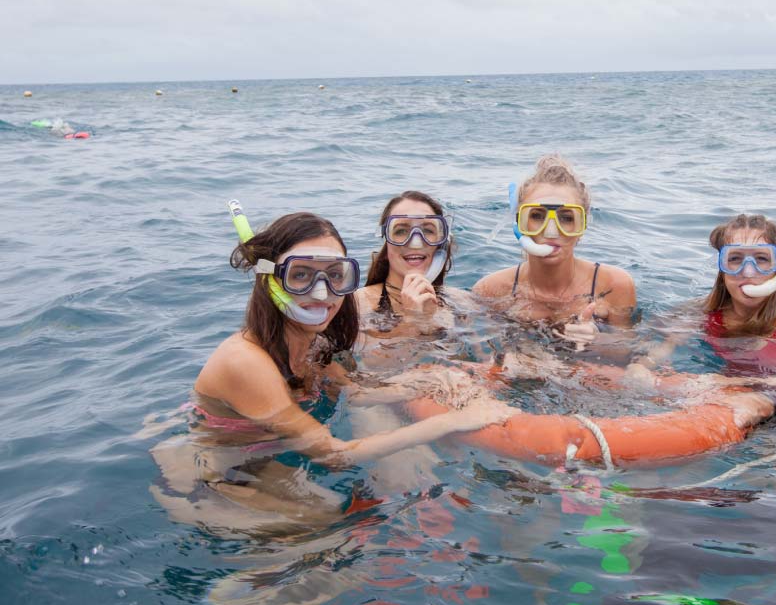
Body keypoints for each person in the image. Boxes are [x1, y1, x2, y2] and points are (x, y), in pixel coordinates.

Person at [150, 211, 510, 535]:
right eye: (301, 275)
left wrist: (436, 379)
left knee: (368, 510)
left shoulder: (313, 343)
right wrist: (451, 422)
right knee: (339, 529)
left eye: (335, 276)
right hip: (213, 482)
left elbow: (358, 392)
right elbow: (332, 455)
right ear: (270, 279)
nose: (322, 293)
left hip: (266, 459)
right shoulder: (245, 361)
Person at [625, 213, 776, 413]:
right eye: (735, 259)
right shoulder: (702, 313)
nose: (748, 272)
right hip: (728, 406)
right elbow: (663, 349)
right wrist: (641, 367)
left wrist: (731, 382)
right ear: (722, 266)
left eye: (762, 259)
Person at [472, 154, 636, 349]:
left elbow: (627, 354)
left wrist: (599, 341)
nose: (551, 231)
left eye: (566, 218)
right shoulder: (490, 291)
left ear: (582, 225)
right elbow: (483, 357)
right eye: (537, 216)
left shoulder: (613, 285)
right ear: (519, 223)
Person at [357, 190, 458, 337]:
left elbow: (480, 358)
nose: (416, 243)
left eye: (428, 230)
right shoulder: (357, 305)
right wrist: (414, 320)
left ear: (441, 243)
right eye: (401, 231)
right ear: (386, 241)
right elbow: (371, 360)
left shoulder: (460, 302)